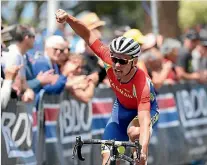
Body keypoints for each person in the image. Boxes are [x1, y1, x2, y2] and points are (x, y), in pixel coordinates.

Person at [55, 9, 159, 165]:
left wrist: (143, 149)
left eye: (123, 61)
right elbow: (87, 34)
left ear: (134, 62)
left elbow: (144, 121)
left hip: (145, 112)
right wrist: (68, 18)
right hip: (121, 111)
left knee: (135, 133)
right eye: (115, 59)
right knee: (108, 157)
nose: (117, 65)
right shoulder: (108, 59)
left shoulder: (141, 82)